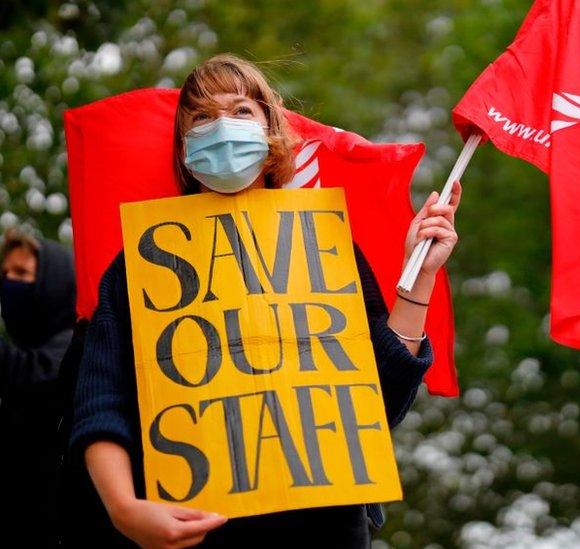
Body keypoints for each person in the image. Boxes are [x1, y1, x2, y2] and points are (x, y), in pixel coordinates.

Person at [66, 53, 462, 548]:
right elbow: (102, 402)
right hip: (192, 531)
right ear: (184, 144)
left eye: (239, 111)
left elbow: (380, 399)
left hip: (325, 530)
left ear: (270, 127)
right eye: (202, 117)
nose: (222, 128)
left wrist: (418, 278)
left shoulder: (325, 244)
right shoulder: (140, 264)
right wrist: (126, 510)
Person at [0, 228, 76, 547]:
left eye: (22, 273)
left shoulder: (75, 345)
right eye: (5, 274)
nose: (9, 282)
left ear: (53, 284)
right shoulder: (24, 349)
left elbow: (37, 378)